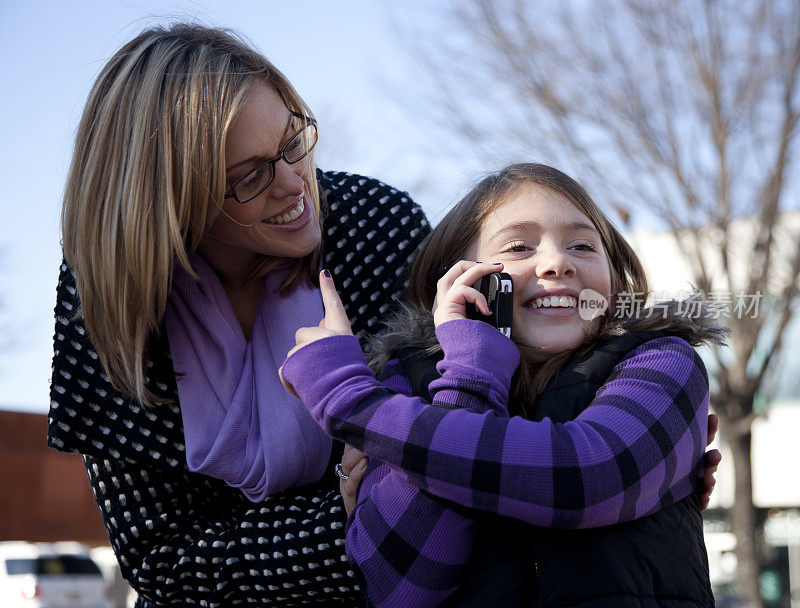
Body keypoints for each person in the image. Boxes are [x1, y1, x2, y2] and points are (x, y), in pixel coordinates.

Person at [47, 23, 430, 607]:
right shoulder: (107, 305)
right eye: (248, 177)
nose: (293, 183)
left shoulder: (376, 230)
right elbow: (160, 559)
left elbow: (448, 454)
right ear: (172, 205)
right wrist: (348, 516)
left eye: (292, 141)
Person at [281, 163, 727, 607]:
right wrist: (472, 372)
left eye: (582, 245)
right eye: (518, 247)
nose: (557, 262)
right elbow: (403, 586)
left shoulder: (663, 361)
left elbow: (586, 475)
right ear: (456, 275)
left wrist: (348, 400)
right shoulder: (407, 383)